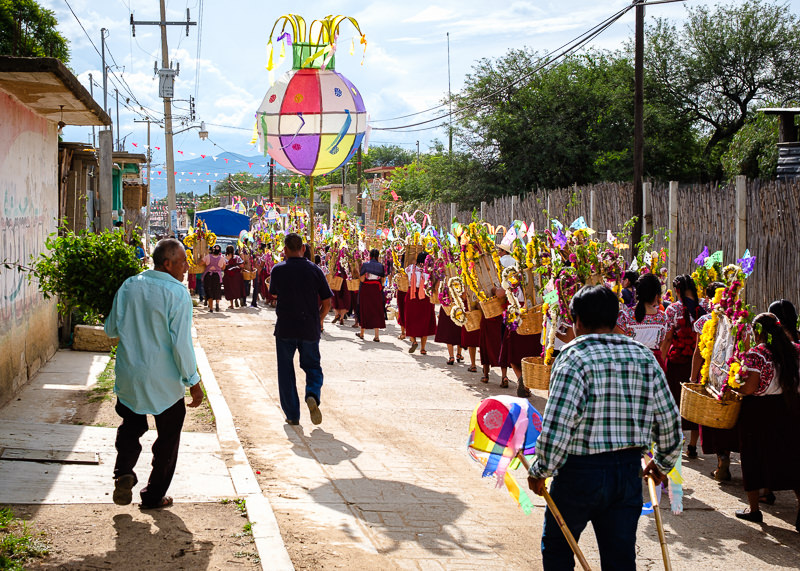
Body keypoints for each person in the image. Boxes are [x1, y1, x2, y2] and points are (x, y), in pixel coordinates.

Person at [527, 285, 682, 570]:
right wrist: (662, 465)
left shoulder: (573, 357)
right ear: (614, 319)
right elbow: (671, 423)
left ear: (576, 321)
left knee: (559, 550)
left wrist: (540, 469)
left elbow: (557, 425)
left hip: (577, 474)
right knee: (620, 559)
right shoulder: (644, 357)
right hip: (626, 473)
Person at [105, 238, 204, 509]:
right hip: (165, 381)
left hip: (131, 375)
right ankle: (153, 494)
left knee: (131, 425)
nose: (187, 266)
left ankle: (123, 471)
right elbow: (181, 344)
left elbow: (111, 328)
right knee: (168, 437)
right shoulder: (178, 294)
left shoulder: (130, 285)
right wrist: (193, 382)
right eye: (183, 261)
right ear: (168, 263)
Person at [734, 312, 800, 531]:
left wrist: (736, 386)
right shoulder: (794, 350)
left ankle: (754, 510)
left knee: (753, 457)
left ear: (758, 332)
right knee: (791, 457)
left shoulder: (757, 354)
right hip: (790, 408)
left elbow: (750, 388)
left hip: (759, 412)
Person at [269, 233, 333, 426]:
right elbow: (327, 302)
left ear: (285, 250)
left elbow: (273, 294)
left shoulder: (278, 270)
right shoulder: (315, 270)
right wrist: (320, 319)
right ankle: (312, 393)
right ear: (303, 249)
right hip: (309, 327)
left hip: (285, 328)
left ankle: (292, 414)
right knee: (312, 366)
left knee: (285, 370)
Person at [662, 274, 705, 459]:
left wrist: (661, 359)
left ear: (677, 290)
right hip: (700, 360)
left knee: (675, 401)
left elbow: (669, 337)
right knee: (696, 401)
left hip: (677, 360)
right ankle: (693, 446)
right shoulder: (706, 306)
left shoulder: (673, 309)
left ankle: (677, 442)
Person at [615, 272, 669, 369]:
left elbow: (617, 345)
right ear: (656, 295)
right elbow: (661, 344)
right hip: (654, 366)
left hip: (630, 366)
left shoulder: (625, 316)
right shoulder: (662, 317)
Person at [404, 252, 437, 354]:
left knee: (410, 319)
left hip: (412, 296)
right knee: (424, 322)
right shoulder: (430, 271)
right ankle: (423, 348)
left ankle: (413, 341)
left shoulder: (410, 268)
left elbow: (404, 272)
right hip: (425, 297)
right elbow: (434, 282)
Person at [357, 249, 386, 342]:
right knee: (377, 310)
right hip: (376, 289)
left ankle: (362, 333)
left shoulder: (365, 265)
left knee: (365, 309)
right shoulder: (381, 266)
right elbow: (383, 281)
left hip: (366, 289)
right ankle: (377, 336)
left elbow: (361, 279)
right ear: (377, 256)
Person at [202, 244, 225, 313]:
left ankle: (211, 308)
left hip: (208, 275)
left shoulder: (207, 257)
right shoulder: (222, 258)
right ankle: (217, 304)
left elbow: (200, 263)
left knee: (209, 291)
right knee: (217, 290)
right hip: (217, 276)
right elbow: (223, 268)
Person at [223, 245, 245, 309]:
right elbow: (242, 266)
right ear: (233, 251)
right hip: (237, 275)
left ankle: (232, 305)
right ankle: (238, 298)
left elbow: (223, 267)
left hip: (228, 275)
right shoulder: (237, 257)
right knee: (238, 288)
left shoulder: (224, 258)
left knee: (230, 289)